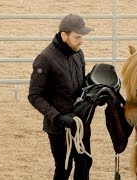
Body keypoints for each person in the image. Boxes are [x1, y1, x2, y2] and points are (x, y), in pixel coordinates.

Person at [28, 14, 93, 180]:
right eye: (77, 37)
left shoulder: (79, 54)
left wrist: (94, 85)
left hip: (80, 121)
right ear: (64, 35)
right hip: (58, 127)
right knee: (64, 167)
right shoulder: (45, 59)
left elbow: (79, 87)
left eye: (82, 37)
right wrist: (58, 117)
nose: (81, 41)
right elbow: (34, 95)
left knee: (85, 163)